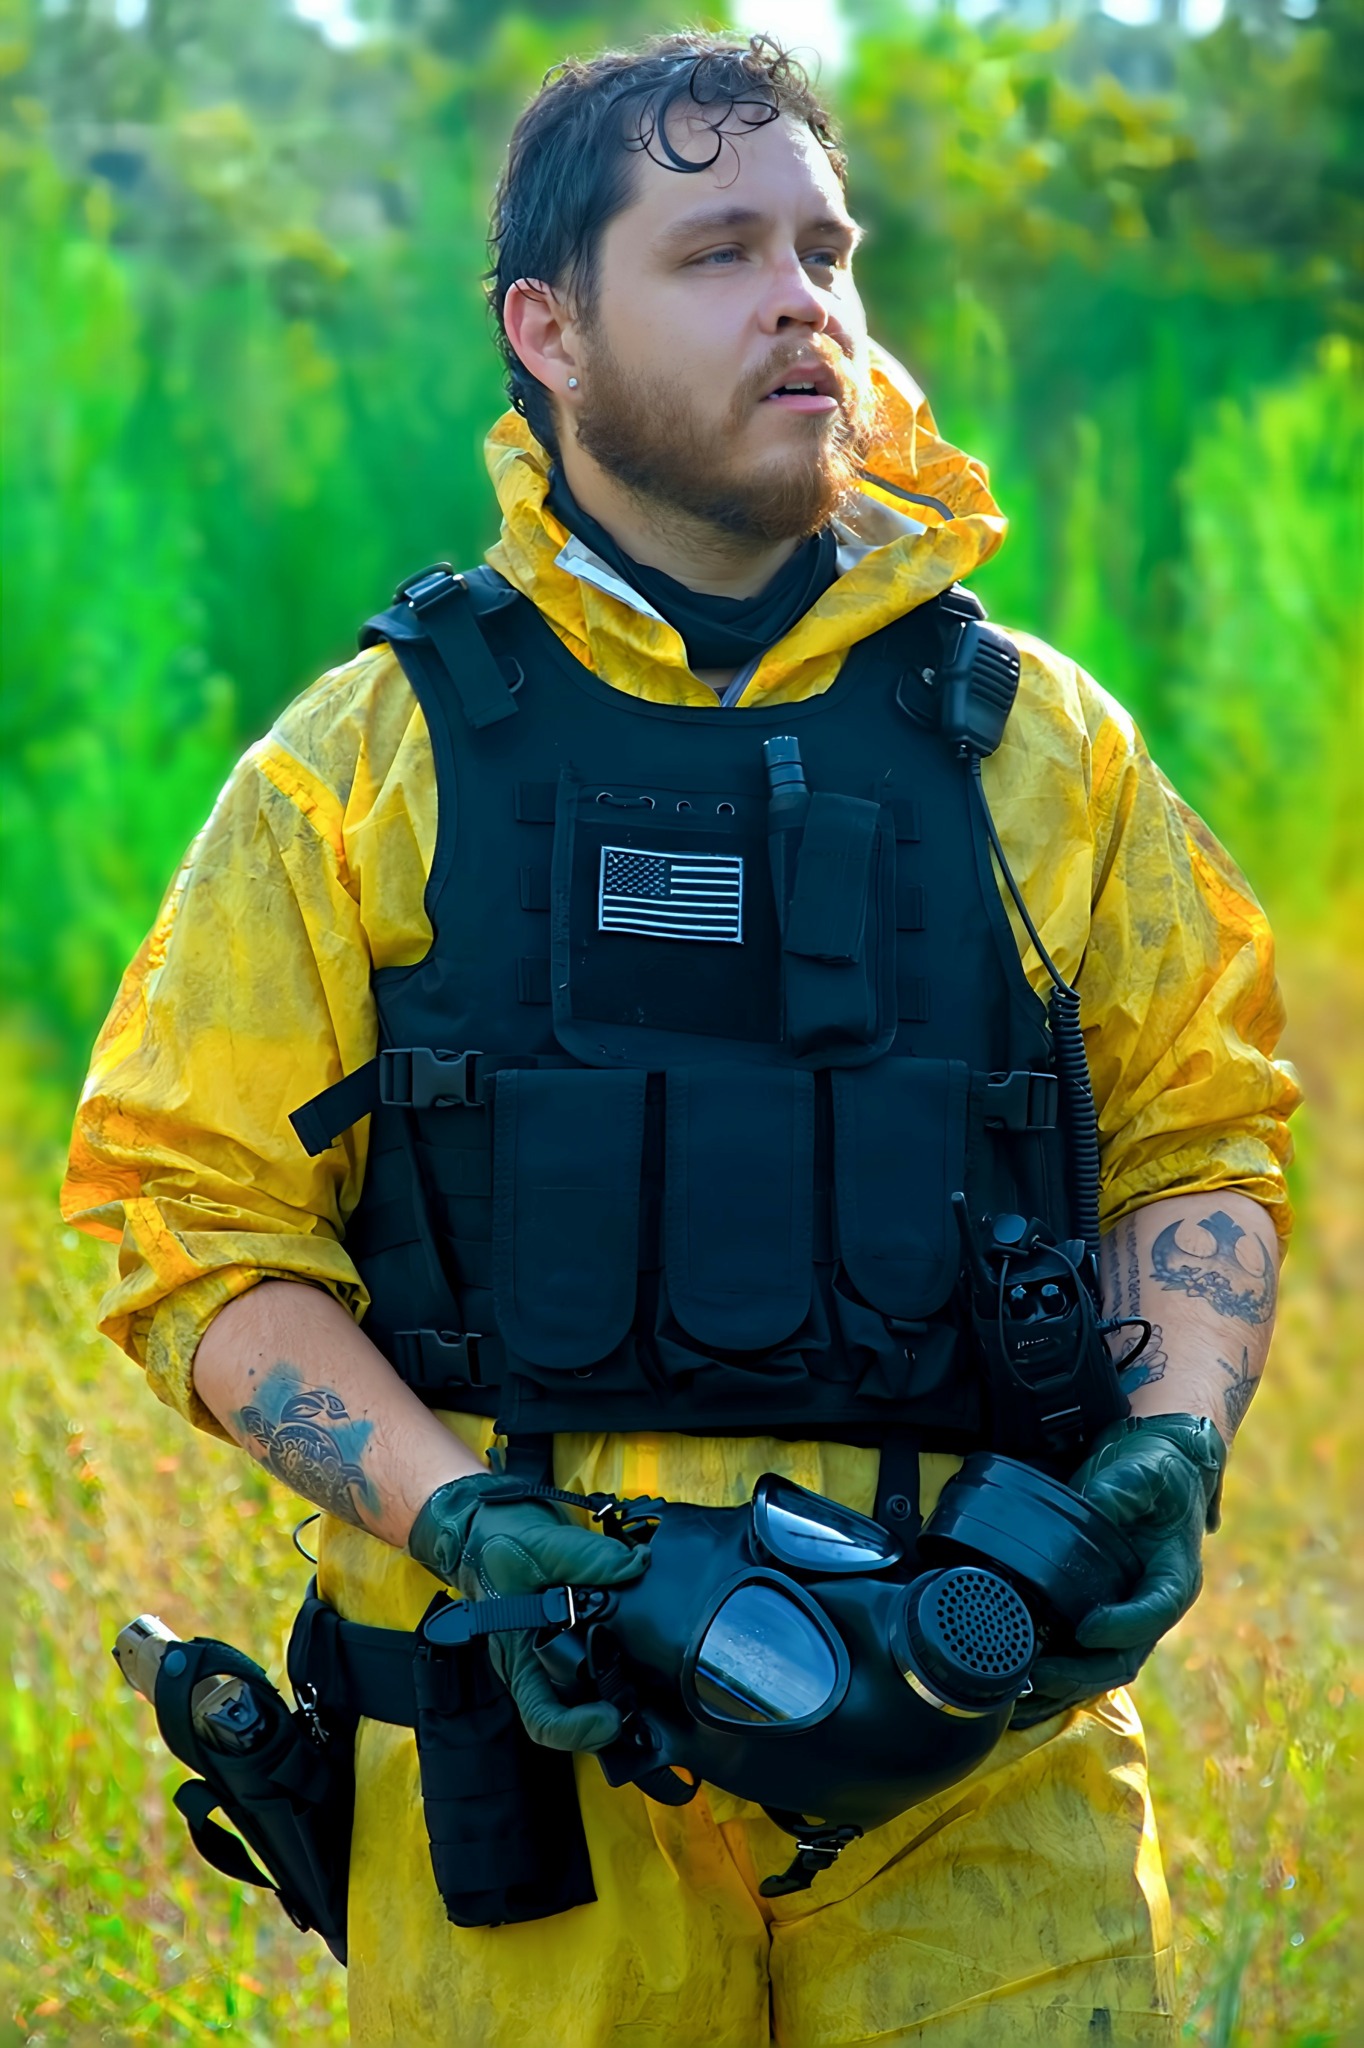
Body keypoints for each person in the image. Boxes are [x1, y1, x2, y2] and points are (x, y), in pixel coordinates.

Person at [63, 31, 1299, 2047]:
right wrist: (457, 1517)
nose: (800, 299)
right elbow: (186, 1223)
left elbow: (1200, 1137)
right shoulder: (364, 766)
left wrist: (1167, 1444)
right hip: (530, 1760)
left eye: (826, 250)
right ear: (546, 330)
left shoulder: (1041, 749)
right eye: (716, 252)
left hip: (976, 1745)